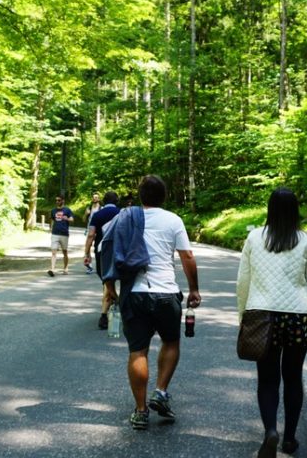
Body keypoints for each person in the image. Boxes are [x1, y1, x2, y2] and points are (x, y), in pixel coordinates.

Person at [236, 187, 307, 457]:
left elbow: (242, 282)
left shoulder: (254, 238)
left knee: (267, 379)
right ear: (295, 211)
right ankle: (290, 439)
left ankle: (271, 430)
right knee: (293, 378)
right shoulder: (306, 240)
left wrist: (241, 318)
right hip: (298, 318)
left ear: (269, 209)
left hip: (261, 316)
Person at [104, 175, 201, 430]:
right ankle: (160, 391)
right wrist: (194, 289)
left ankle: (140, 410)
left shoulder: (125, 217)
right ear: (164, 196)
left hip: (134, 293)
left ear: (140, 196)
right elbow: (187, 256)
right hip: (166, 294)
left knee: (138, 351)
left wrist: (108, 286)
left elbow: (107, 248)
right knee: (170, 342)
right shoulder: (173, 220)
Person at [83, 191, 121, 326]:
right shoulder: (123, 214)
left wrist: (86, 253)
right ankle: (117, 306)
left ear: (103, 201)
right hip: (120, 252)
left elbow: (91, 235)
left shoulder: (97, 215)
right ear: (117, 201)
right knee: (114, 282)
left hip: (102, 252)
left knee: (107, 282)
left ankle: (104, 316)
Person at [47, 195, 75, 276]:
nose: (57, 202)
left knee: (65, 252)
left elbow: (72, 219)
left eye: (59, 200)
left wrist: (67, 219)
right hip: (55, 233)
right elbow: (52, 220)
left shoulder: (67, 210)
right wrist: (50, 228)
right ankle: (52, 269)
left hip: (64, 233)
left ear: (63, 201)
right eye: (56, 200)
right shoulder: (53, 210)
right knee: (53, 251)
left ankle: (65, 268)